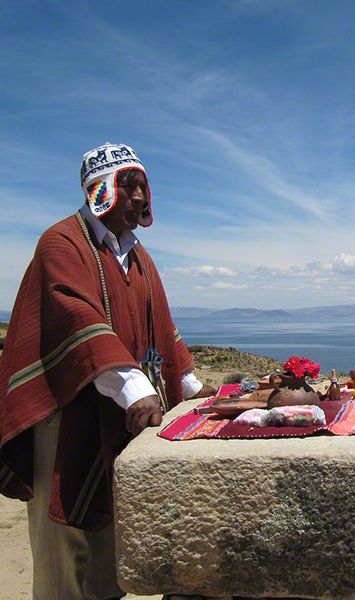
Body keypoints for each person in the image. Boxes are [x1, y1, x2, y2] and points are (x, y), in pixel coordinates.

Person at [0, 142, 215, 599]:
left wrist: (193, 388)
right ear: (99, 189)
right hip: (68, 412)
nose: (140, 198)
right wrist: (134, 387)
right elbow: (76, 316)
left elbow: (163, 331)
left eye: (143, 187)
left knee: (108, 543)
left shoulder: (138, 256)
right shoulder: (62, 242)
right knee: (66, 548)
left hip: (119, 418)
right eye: (128, 185)